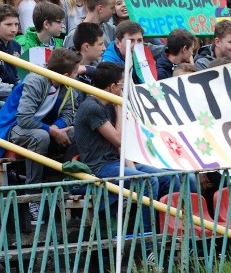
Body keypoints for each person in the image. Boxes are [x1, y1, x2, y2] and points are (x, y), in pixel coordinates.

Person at [74, 62, 195, 232]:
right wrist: (120, 107)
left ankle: (171, 230)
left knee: (171, 177)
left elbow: (121, 146)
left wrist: (132, 167)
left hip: (118, 162)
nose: (124, 89)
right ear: (112, 87)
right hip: (100, 167)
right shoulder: (92, 107)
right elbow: (118, 139)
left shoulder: (108, 104)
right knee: (147, 182)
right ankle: (148, 238)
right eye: (122, 85)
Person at [0, 48, 81, 220]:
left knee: (75, 133)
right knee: (41, 136)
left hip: (42, 126)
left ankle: (68, 186)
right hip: (13, 127)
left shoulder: (68, 88)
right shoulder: (36, 81)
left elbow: (69, 115)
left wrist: (57, 128)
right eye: (75, 73)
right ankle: (33, 197)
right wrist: (51, 130)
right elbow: (23, 119)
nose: (77, 76)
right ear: (66, 74)